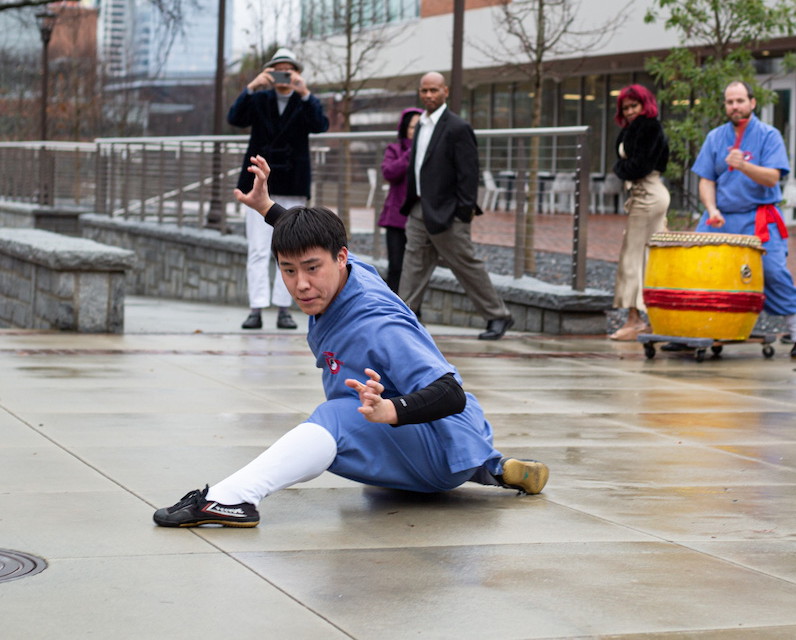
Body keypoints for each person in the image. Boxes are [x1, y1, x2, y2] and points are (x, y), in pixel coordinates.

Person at [151, 155, 548, 529]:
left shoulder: (376, 320)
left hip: (438, 442)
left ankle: (229, 498)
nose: (301, 284)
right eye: (288, 271)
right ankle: (491, 468)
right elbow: (311, 242)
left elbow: (451, 394)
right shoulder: (352, 268)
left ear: (340, 257)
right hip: (457, 445)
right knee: (351, 424)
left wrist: (391, 410)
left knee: (334, 419)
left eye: (311, 270)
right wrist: (268, 207)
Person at [692, 80, 796, 354]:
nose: (735, 106)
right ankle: (693, 327)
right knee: (696, 262)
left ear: (752, 103)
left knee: (773, 272)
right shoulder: (715, 137)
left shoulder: (769, 135)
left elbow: (773, 178)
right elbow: (706, 180)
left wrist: (743, 165)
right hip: (721, 218)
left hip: (759, 218)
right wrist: (712, 210)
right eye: (730, 102)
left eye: (740, 101)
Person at [397, 72, 513, 340]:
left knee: (466, 265)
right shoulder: (422, 125)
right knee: (412, 267)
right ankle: (401, 320)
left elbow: (469, 175)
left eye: (434, 90)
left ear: (445, 91)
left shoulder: (458, 127)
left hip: (448, 213)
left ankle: (498, 316)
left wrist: (463, 213)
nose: (429, 95)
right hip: (417, 208)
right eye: (424, 90)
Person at [227, 48, 328, 331]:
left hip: (293, 181)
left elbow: (321, 125)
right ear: (269, 73)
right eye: (277, 70)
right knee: (258, 249)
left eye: (289, 70)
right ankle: (256, 308)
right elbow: (234, 118)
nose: (283, 76)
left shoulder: (303, 101)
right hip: (260, 182)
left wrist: (305, 92)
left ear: (297, 73)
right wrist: (251, 87)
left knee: (292, 249)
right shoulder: (259, 99)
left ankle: (284, 308)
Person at [609, 85, 670, 341]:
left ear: (645, 105)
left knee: (633, 256)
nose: (631, 111)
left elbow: (639, 166)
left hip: (647, 194)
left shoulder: (648, 127)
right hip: (645, 194)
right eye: (626, 107)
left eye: (635, 106)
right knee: (648, 256)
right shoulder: (635, 130)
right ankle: (652, 319)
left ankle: (635, 319)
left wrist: (619, 167)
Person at [379, 108, 423, 292]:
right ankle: (392, 311)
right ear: (404, 128)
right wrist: (411, 153)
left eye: (421, 127)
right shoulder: (395, 149)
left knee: (416, 269)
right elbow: (389, 172)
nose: (417, 131)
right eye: (413, 127)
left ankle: (413, 311)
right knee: (396, 267)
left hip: (421, 218)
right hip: (396, 218)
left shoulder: (431, 151)